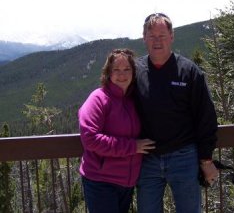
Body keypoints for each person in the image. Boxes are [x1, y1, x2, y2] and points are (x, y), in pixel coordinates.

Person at [135, 13, 219, 213]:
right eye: (152, 35)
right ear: (144, 37)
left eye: (162, 35)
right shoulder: (135, 71)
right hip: (147, 159)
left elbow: (206, 117)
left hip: (184, 156)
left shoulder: (189, 71)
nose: (157, 41)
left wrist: (206, 160)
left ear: (172, 36)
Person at [78, 48, 155, 213]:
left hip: (126, 183)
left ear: (134, 73)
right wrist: (132, 147)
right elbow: (90, 138)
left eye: (127, 69)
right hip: (101, 182)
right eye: (116, 70)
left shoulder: (134, 100)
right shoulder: (98, 99)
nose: (122, 74)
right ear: (108, 73)